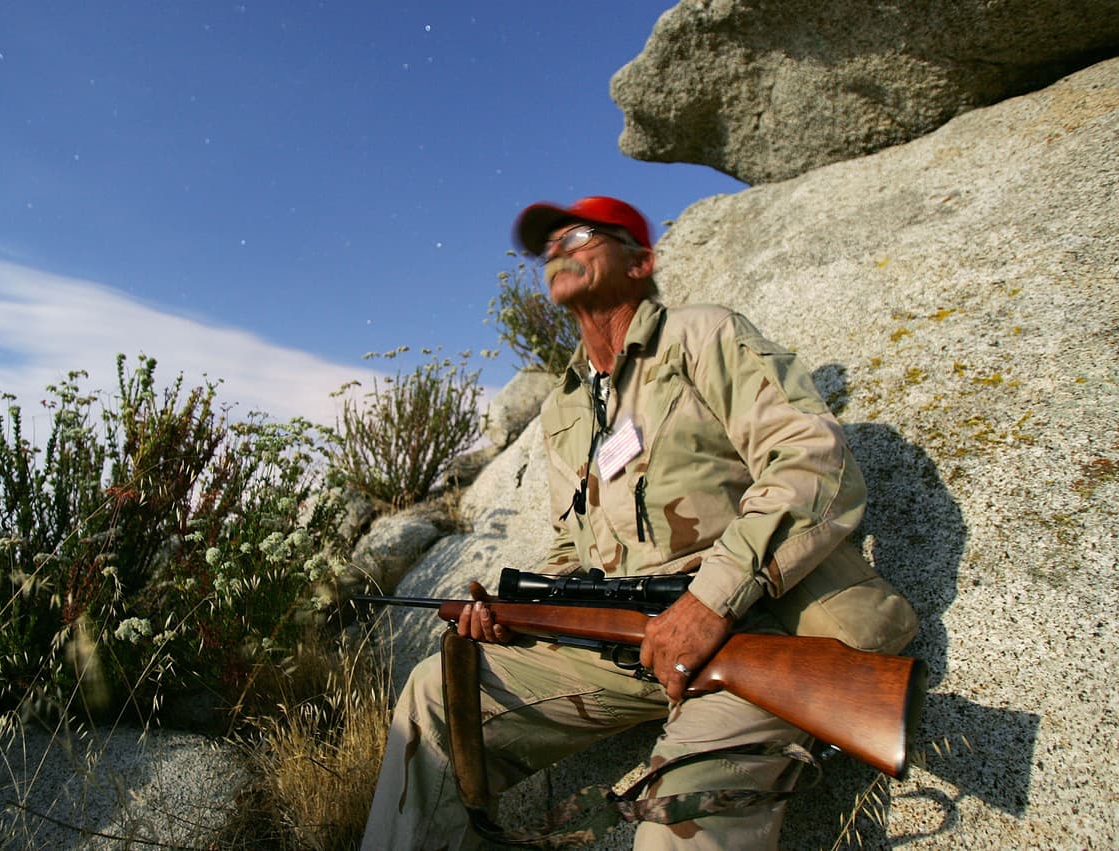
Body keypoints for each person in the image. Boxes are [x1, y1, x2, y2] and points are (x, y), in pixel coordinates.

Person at [361, 196, 917, 850]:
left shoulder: (702, 336)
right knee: (435, 692)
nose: (559, 250)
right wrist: (522, 613)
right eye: (550, 245)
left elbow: (813, 460)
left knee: (675, 833)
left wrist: (710, 601)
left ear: (640, 262)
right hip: (629, 646)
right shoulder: (565, 407)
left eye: (581, 235)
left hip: (755, 628)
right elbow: (573, 545)